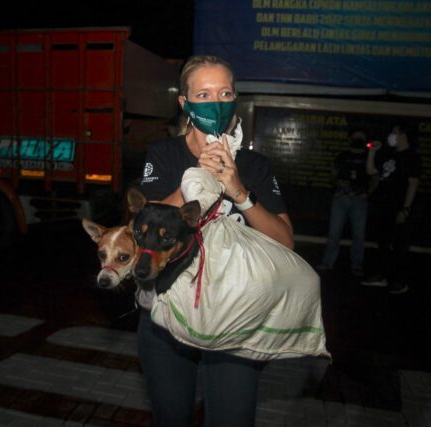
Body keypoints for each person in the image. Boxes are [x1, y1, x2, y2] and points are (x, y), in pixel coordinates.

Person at [137, 55, 293, 426]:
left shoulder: (255, 165)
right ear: (184, 102)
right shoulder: (163, 155)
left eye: (225, 92)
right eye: (203, 94)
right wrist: (195, 177)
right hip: (166, 315)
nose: (216, 102)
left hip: (235, 318)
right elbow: (145, 225)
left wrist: (238, 191)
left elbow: (285, 242)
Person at [360, 124, 421, 294]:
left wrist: (405, 209)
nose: (391, 135)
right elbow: (371, 171)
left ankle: (399, 281)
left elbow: (413, 184)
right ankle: (382, 276)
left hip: (398, 208)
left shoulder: (412, 157)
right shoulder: (390, 154)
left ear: (404, 135)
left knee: (399, 246)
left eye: (395, 132)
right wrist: (372, 151)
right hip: (383, 207)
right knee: (383, 244)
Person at [317, 129, 371, 277]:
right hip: (341, 198)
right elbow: (332, 175)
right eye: (355, 137)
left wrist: (368, 193)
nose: (358, 139)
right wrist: (338, 183)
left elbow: (375, 177)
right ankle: (328, 262)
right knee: (334, 233)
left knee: (358, 235)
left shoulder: (368, 157)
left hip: (360, 200)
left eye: (361, 137)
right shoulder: (342, 156)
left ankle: (357, 265)